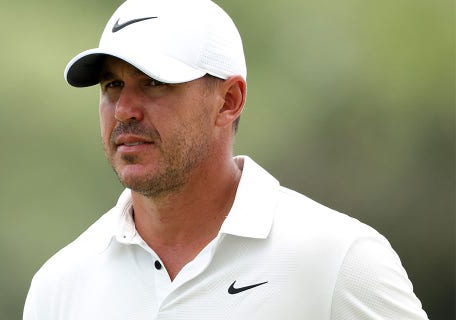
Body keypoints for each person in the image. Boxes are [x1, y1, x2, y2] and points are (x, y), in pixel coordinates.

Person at [23, 0, 428, 319]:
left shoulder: (339, 261)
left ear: (228, 102)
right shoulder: (59, 286)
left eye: (154, 83)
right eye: (112, 84)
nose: (125, 109)